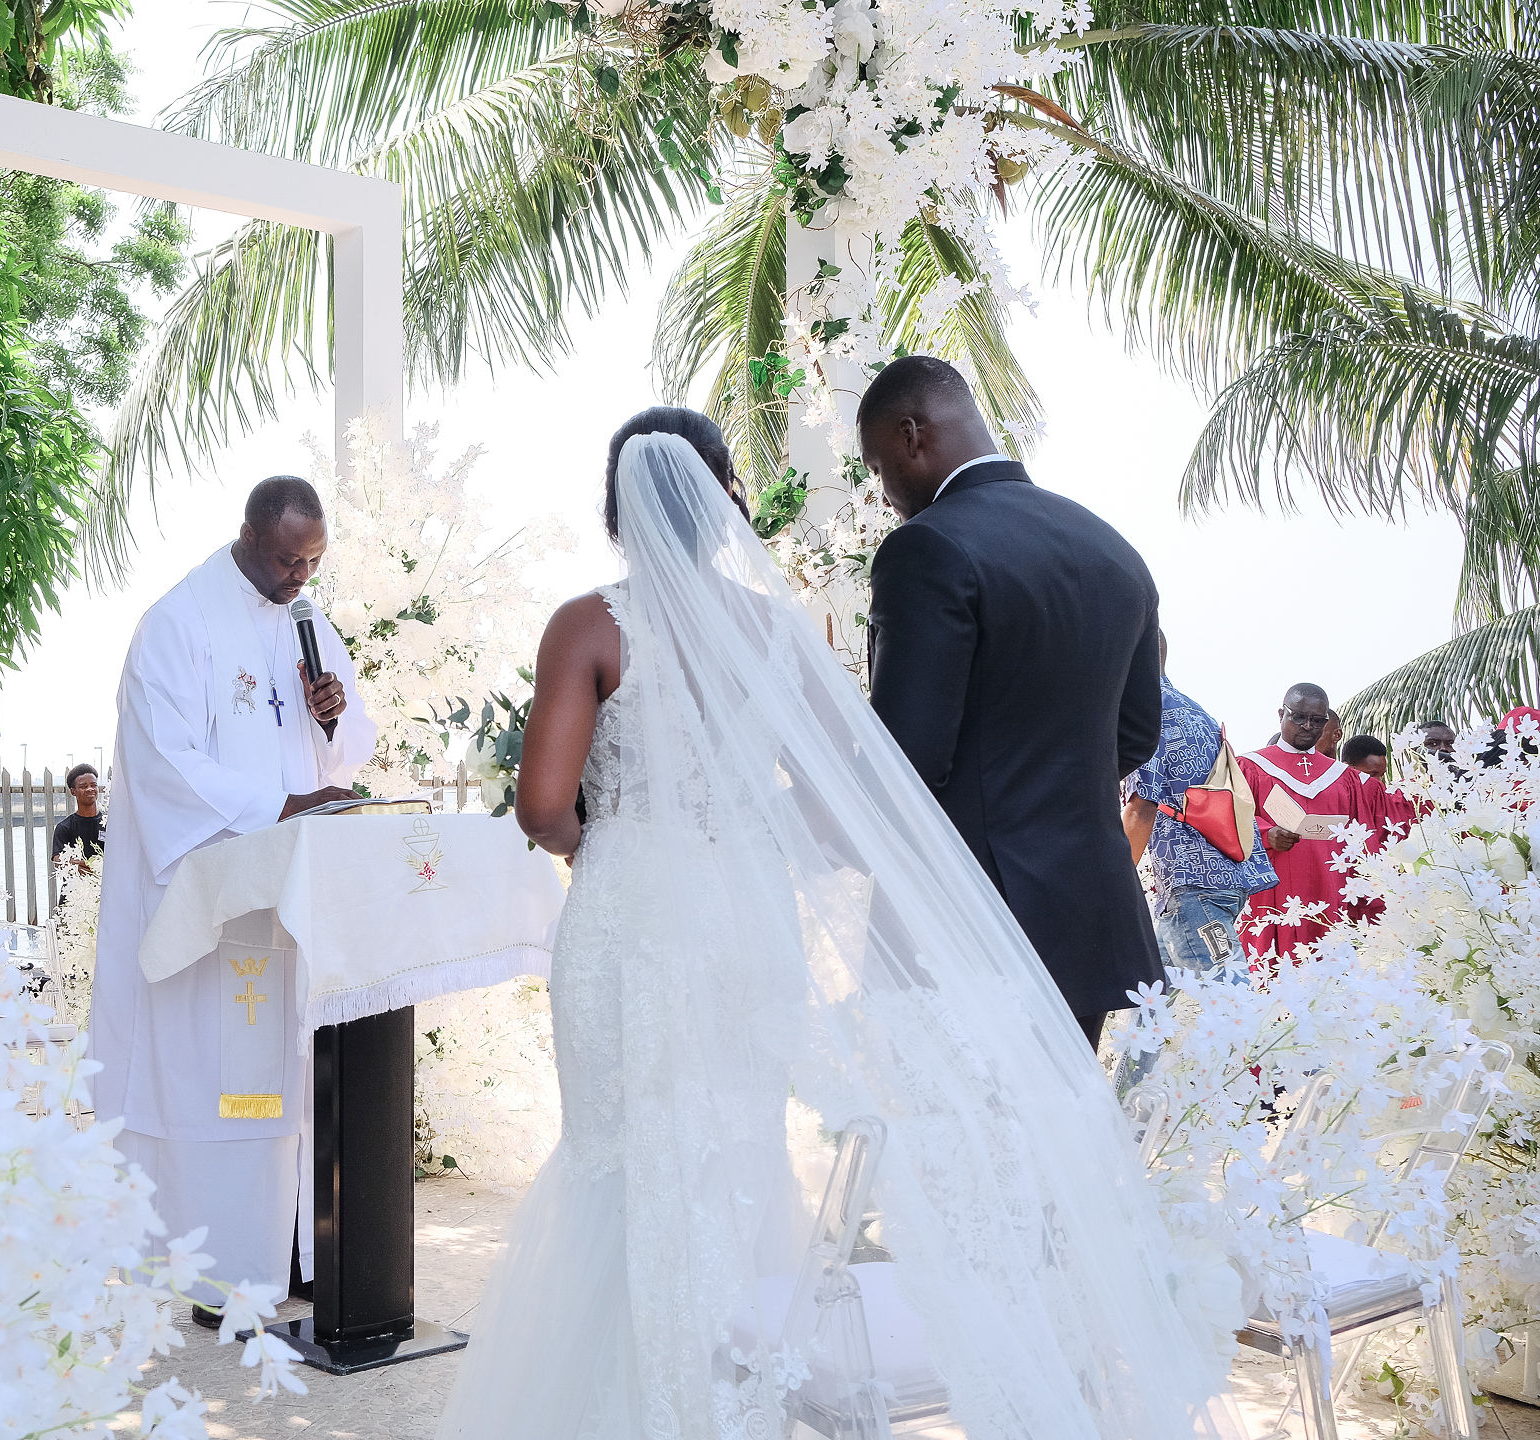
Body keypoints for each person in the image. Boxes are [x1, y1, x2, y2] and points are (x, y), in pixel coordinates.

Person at [438, 414, 1238, 1440]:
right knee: (737, 1137)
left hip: (634, 904)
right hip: (750, 912)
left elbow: (544, 805)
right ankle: (736, 1394)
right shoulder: (784, 632)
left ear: (616, 505)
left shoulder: (590, 626)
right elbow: (835, 799)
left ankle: (633, 1400)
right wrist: (741, 830)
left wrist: (605, 841)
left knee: (617, 1147)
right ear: (725, 502)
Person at [87, 476, 375, 1320]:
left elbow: (350, 745)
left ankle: (297, 1252)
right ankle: (218, 1267)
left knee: (289, 1082)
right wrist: (281, 806)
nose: (301, 577)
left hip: (288, 899)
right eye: (289, 560)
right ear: (248, 535)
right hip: (211, 909)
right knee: (221, 1085)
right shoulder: (178, 623)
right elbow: (164, 763)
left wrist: (331, 718)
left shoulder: (307, 620)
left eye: (314, 561)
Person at [861, 356, 1162, 1049]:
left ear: (911, 435)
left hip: (971, 915)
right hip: (1089, 909)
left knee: (963, 1116)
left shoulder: (927, 547)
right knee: (1067, 1113)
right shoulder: (1115, 550)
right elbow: (1136, 733)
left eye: (878, 469)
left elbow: (907, 758)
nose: (884, 493)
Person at [1122, 633, 1277, 982]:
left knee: (1232, 999)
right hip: (1220, 879)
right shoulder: (1196, 711)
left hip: (1193, 889)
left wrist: (1112, 880)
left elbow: (1141, 808)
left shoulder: (1145, 714)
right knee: (1152, 1001)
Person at [1237, 683, 1400, 960]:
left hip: (1331, 892)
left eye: (1317, 721)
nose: (1307, 726)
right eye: (1298, 717)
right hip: (1273, 892)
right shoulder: (1250, 767)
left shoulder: (1344, 777)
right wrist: (1265, 833)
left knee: (1331, 971)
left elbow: (1368, 832)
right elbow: (1227, 817)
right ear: (1281, 714)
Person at [51, 762, 105, 866]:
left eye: (93, 785)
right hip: (77, 877)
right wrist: (91, 867)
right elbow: (58, 861)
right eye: (83, 786)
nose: (90, 789)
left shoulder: (109, 824)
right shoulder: (64, 828)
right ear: (73, 791)